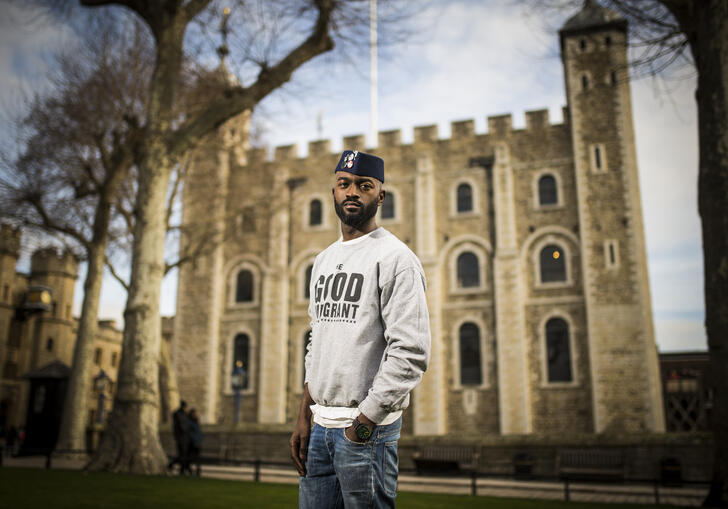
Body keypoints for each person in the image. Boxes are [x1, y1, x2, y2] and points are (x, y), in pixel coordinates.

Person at [290, 150, 431, 508]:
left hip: (366, 432)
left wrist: (363, 424)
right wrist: (304, 414)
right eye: (344, 184)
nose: (352, 191)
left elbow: (410, 351)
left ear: (379, 196)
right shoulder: (322, 261)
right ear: (334, 192)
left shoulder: (397, 259)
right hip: (319, 430)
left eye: (363, 185)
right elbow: (316, 341)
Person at [169, 400, 190, 474]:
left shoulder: (184, 414)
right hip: (181, 437)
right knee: (182, 454)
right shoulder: (178, 414)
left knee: (183, 454)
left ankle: (182, 469)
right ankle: (173, 465)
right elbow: (181, 426)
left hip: (184, 437)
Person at [187, 408, 203, 476]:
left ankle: (198, 469)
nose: (196, 415)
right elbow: (190, 433)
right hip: (192, 442)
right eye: (194, 414)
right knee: (191, 457)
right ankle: (190, 469)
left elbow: (198, 432)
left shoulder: (196, 421)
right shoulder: (190, 422)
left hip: (197, 442)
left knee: (197, 457)